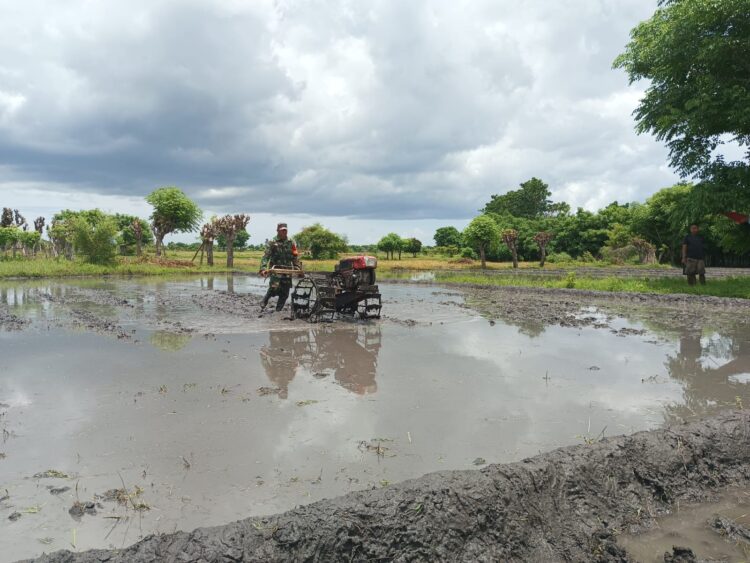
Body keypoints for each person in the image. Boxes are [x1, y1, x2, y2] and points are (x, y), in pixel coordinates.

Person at [259, 223, 301, 311]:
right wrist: (263, 268)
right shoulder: (272, 242)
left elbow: (295, 257)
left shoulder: (291, 242)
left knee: (285, 293)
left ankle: (278, 310)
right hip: (276, 270)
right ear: (278, 231)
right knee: (274, 288)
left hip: (287, 270)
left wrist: (298, 268)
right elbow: (266, 256)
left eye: (285, 230)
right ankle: (265, 300)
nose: (284, 232)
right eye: (282, 230)